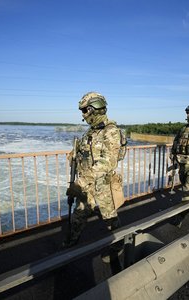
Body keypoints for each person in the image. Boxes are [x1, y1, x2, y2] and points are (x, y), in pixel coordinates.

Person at [63, 91, 125, 262]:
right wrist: (73, 156)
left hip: (102, 184)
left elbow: (108, 162)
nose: (83, 115)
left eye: (85, 110)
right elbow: (83, 153)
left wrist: (80, 183)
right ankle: (72, 242)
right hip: (88, 183)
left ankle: (118, 243)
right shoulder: (91, 132)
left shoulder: (111, 131)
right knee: (79, 213)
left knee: (109, 216)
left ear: (94, 109)